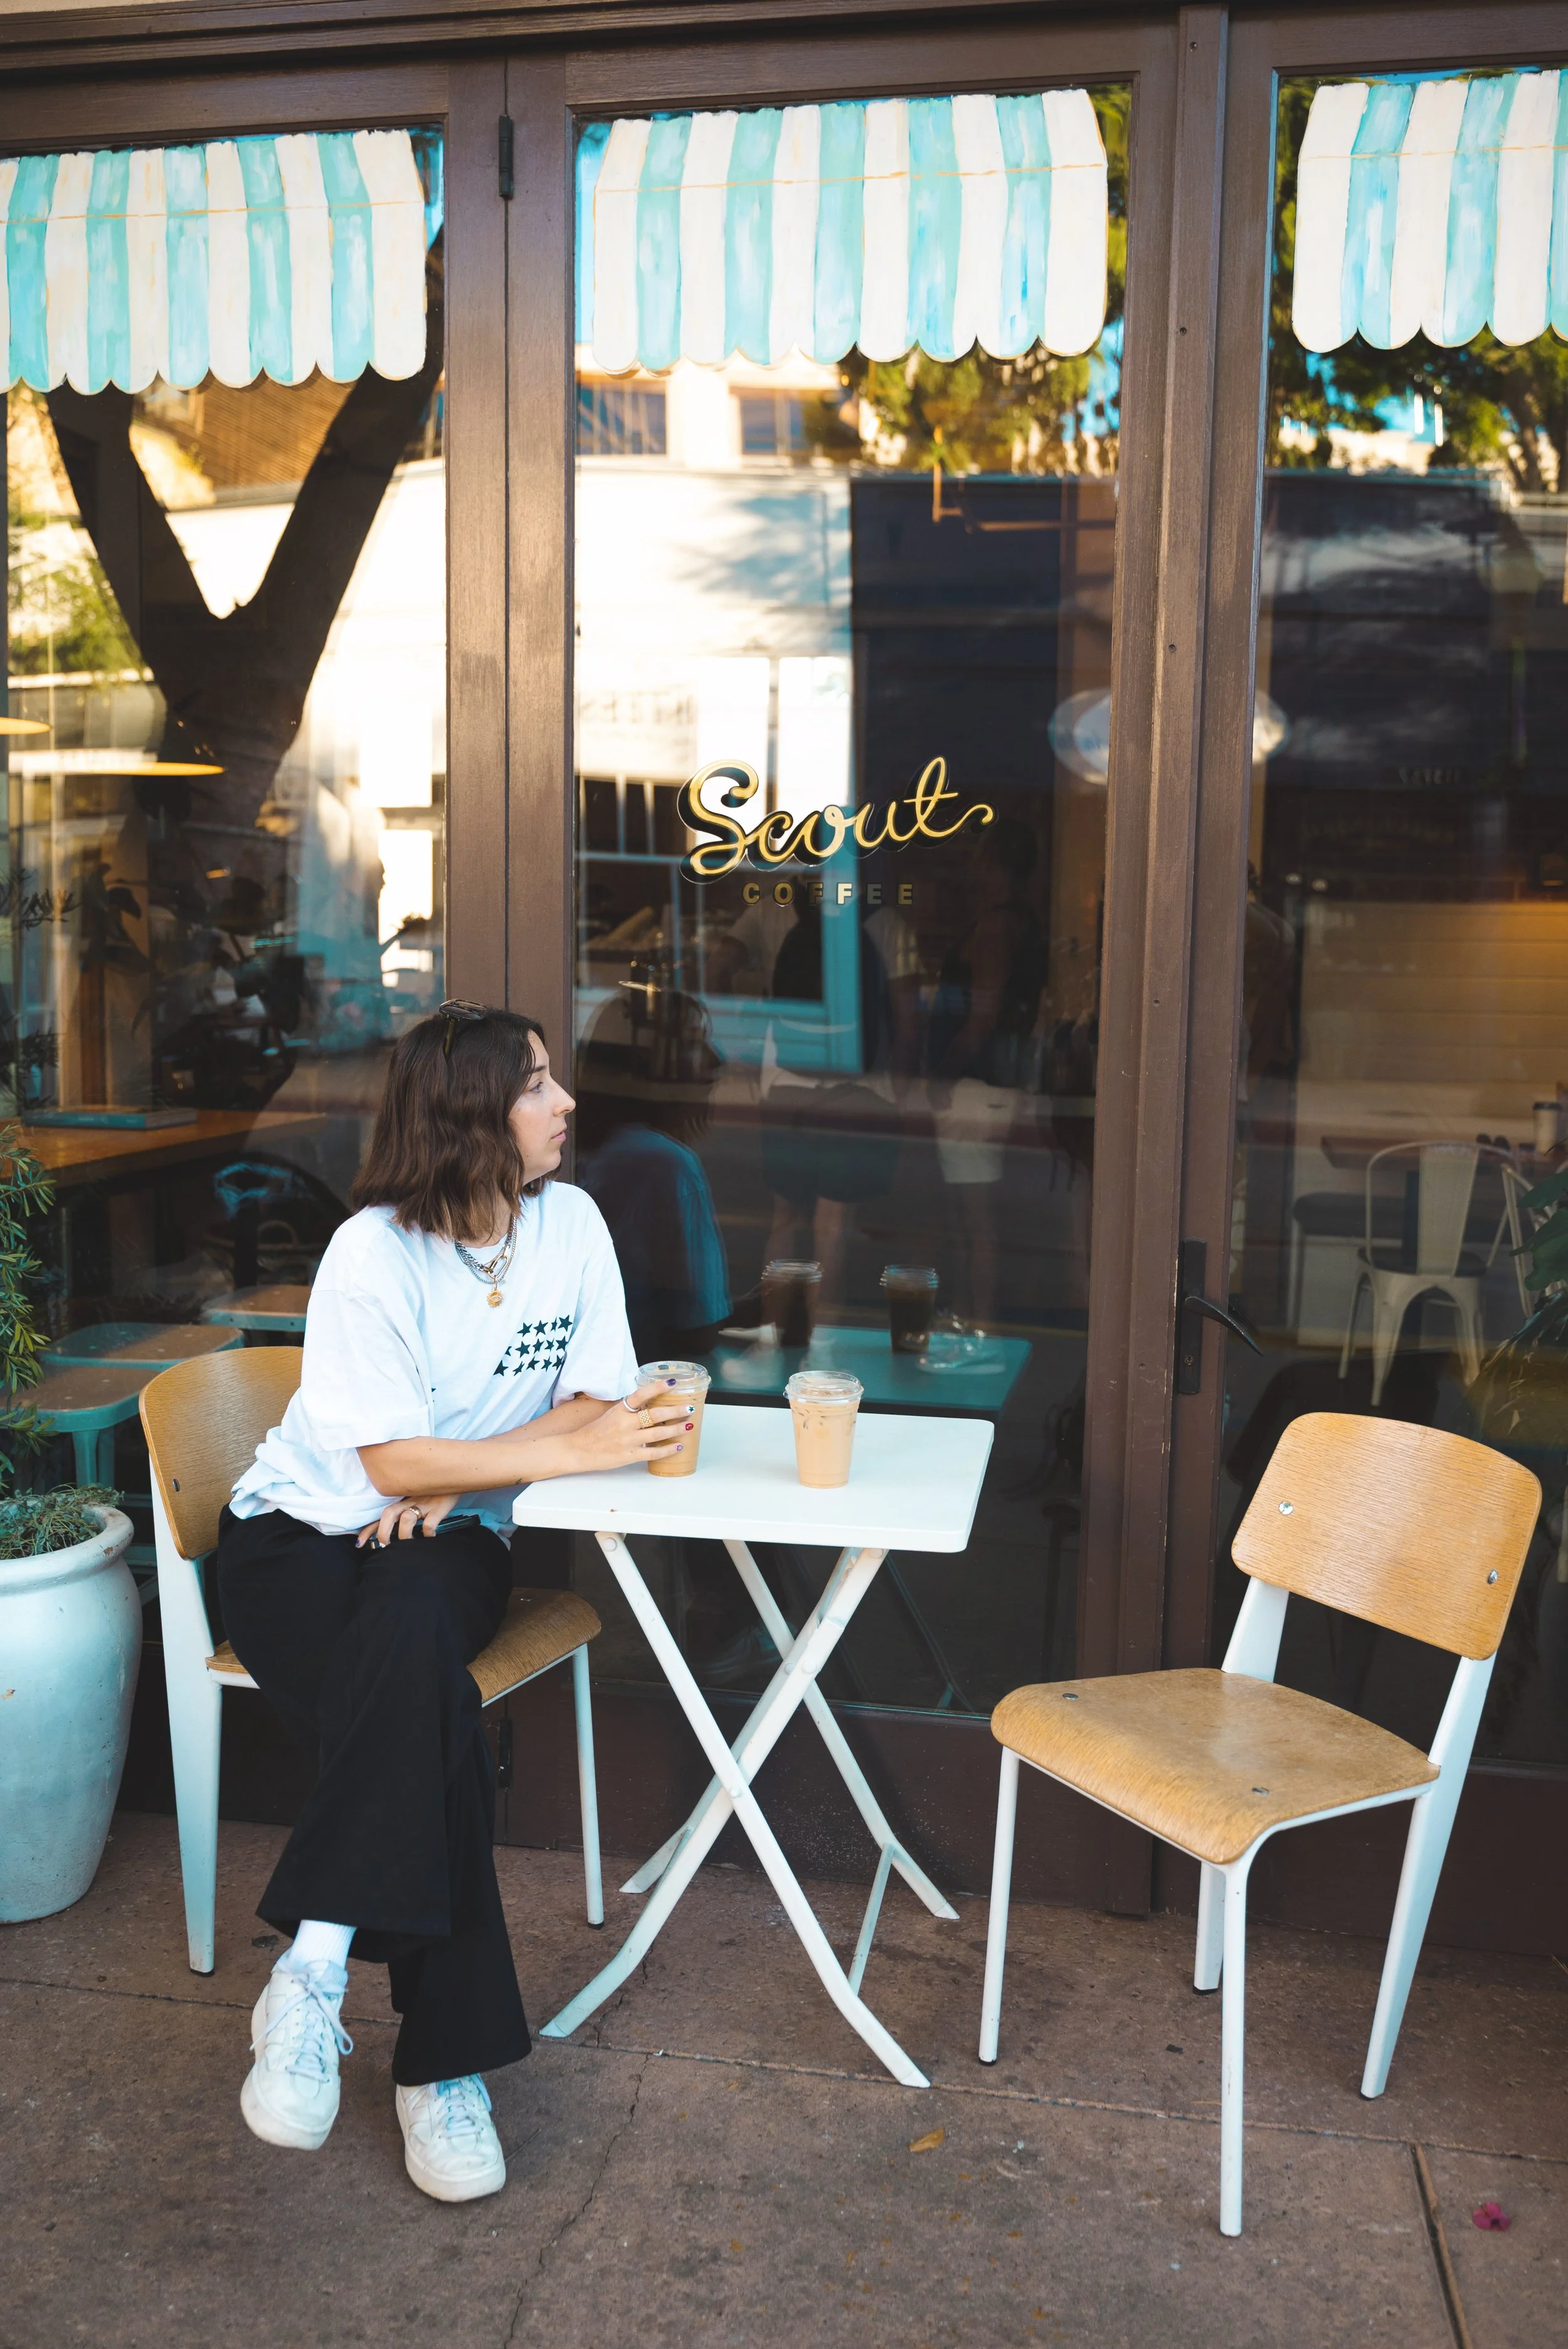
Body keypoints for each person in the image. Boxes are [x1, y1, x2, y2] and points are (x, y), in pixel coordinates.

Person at [216, 1000, 689, 2203]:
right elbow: (390, 1465)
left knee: (417, 1641)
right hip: (296, 1536)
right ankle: (442, 2072)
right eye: (535, 1084)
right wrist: (480, 1462)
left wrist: (460, 1474)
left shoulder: (571, 1224)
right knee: (431, 1726)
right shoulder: (370, 1254)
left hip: (452, 1534)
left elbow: (599, 1397)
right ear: (470, 1114)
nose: (565, 1102)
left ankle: (313, 1967)